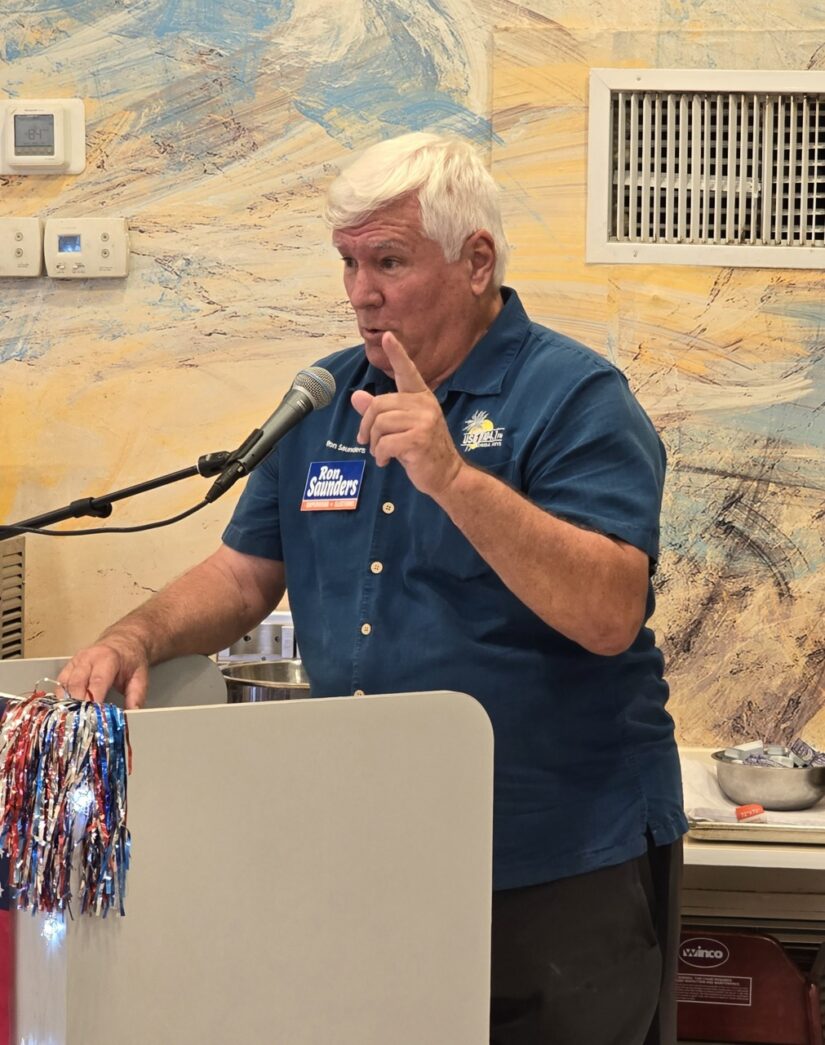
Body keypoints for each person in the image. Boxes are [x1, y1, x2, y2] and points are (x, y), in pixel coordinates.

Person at [59, 132, 687, 1045]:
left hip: (557, 855)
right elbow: (243, 573)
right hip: (375, 844)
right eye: (348, 261)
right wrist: (134, 637)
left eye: (388, 260)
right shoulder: (325, 399)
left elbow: (606, 613)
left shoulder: (575, 397)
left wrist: (454, 480)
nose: (360, 290)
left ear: (476, 261)